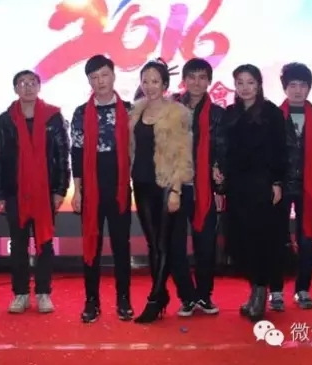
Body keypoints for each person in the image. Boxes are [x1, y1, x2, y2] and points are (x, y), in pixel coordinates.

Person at [0, 70, 70, 314]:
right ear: (16, 89)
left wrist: (60, 190)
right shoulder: (6, 120)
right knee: (19, 244)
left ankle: (44, 292)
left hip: (45, 191)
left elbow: (62, 155)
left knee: (44, 243)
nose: (27, 87)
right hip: (15, 191)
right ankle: (21, 293)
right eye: (22, 83)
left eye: (32, 83)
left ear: (39, 86)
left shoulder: (53, 117)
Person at [129, 58, 196, 324]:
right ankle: (163, 294)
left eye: (155, 81)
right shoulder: (136, 111)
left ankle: (155, 298)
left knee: (163, 244)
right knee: (152, 244)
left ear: (165, 84)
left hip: (167, 185)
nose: (149, 86)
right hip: (141, 183)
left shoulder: (178, 113)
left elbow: (183, 155)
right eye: (145, 81)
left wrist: (177, 190)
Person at [70, 55, 133, 323]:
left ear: (113, 76)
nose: (100, 81)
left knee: (121, 246)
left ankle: (124, 299)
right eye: (94, 77)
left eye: (104, 75)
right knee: (91, 246)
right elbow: (76, 153)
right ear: (89, 81)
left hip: (119, 187)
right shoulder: (81, 113)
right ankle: (91, 301)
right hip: (91, 187)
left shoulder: (129, 110)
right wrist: (78, 190)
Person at [224, 64, 287, 322]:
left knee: (262, 240)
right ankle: (253, 292)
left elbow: (280, 150)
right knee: (243, 241)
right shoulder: (231, 113)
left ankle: (261, 295)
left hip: (263, 185)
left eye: (250, 82)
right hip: (237, 187)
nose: (245, 88)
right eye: (240, 82)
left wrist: (277, 182)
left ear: (259, 84)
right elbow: (225, 150)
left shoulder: (272, 113)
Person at [268, 63, 312, 311]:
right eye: (292, 85)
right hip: (281, 186)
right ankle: (275, 291)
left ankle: (302, 289)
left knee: (306, 240)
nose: (297, 90)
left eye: (302, 85)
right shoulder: (274, 115)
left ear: (309, 88)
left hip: (309, 186)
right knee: (277, 240)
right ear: (285, 88)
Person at [172, 58, 226, 316]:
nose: (196, 82)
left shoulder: (218, 114)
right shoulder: (171, 108)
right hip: (175, 187)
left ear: (209, 81)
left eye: (202, 77)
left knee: (205, 245)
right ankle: (186, 296)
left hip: (204, 188)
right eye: (191, 77)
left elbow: (223, 150)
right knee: (176, 245)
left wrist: (220, 187)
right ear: (184, 80)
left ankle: (204, 296)